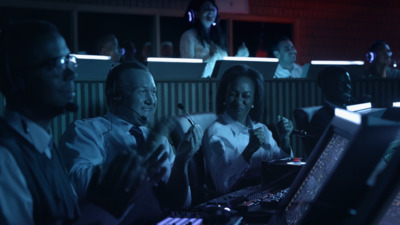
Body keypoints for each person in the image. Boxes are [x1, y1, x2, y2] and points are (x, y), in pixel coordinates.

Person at [0, 19, 144, 225]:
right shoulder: (5, 158)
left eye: (70, 61)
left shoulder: (43, 144)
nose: (71, 73)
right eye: (56, 64)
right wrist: (105, 206)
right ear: (18, 79)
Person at [59, 61, 203, 224]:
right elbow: (78, 186)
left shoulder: (157, 138)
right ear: (115, 95)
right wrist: (145, 153)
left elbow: (181, 203)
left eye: (154, 92)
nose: (151, 100)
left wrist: (181, 162)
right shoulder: (86, 130)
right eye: (143, 91)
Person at [202, 64, 293, 194]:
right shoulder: (216, 133)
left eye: (245, 96)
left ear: (254, 100)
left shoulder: (262, 128)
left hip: (267, 195)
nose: (238, 101)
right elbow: (223, 185)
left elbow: (284, 171)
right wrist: (249, 151)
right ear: (224, 97)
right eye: (233, 94)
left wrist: (285, 139)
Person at [179, 0, 249, 78]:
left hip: (220, 86)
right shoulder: (188, 36)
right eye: (206, 9)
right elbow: (189, 71)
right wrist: (212, 56)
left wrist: (239, 57)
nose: (210, 12)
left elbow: (225, 69)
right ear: (197, 13)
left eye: (213, 9)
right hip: (200, 87)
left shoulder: (218, 37)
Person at [308, 66, 353, 155]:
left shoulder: (353, 111)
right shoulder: (321, 118)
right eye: (342, 84)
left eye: (348, 83)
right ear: (329, 87)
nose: (348, 87)